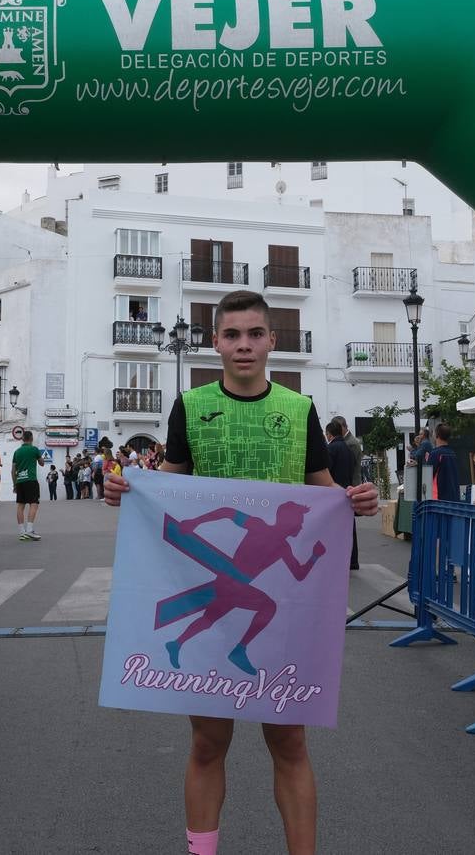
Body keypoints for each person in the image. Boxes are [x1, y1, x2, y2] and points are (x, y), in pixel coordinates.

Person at [102, 289, 379, 855]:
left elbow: (325, 494)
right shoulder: (190, 405)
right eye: (232, 335)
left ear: (272, 340)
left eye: (255, 334)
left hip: (280, 605)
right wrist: (126, 491)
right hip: (232, 574)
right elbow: (168, 487)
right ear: (215, 341)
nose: (244, 345)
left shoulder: (299, 410)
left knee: (290, 743)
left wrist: (359, 499)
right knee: (208, 743)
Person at [325, 418, 360, 570]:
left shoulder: (331, 449)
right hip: (347, 490)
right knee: (349, 528)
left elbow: (325, 473)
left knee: (334, 529)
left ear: (329, 434)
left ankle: (337, 561)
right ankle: (352, 560)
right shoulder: (348, 448)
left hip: (334, 494)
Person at [12, 430, 45, 540]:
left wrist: (14, 484)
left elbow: (13, 470)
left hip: (20, 481)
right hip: (31, 480)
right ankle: (30, 530)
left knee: (20, 506)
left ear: (22, 439)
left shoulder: (17, 452)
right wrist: (39, 456)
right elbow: (42, 463)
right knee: (34, 504)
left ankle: (22, 532)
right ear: (31, 439)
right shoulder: (34, 449)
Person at [424, 423, 461, 501]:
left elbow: (426, 477)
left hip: (439, 500)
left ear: (437, 435)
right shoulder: (452, 453)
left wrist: (427, 461)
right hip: (453, 499)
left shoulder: (435, 453)